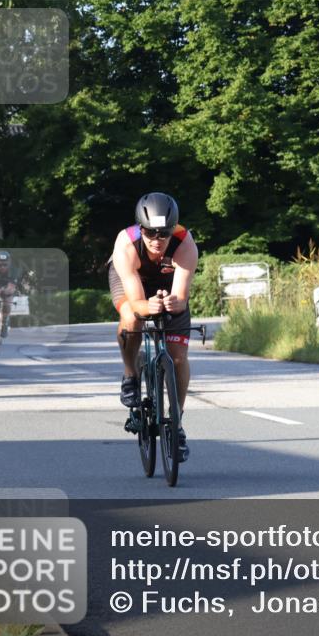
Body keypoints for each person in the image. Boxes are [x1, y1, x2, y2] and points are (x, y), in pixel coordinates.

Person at [109, 192, 199, 460]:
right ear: (141, 228)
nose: (157, 240)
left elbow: (181, 298)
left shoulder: (185, 243)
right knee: (130, 316)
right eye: (150, 233)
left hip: (167, 285)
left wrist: (173, 303)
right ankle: (130, 375)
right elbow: (136, 301)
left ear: (174, 229)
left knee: (179, 358)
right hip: (133, 283)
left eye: (164, 233)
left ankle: (177, 424)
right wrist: (146, 306)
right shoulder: (126, 244)